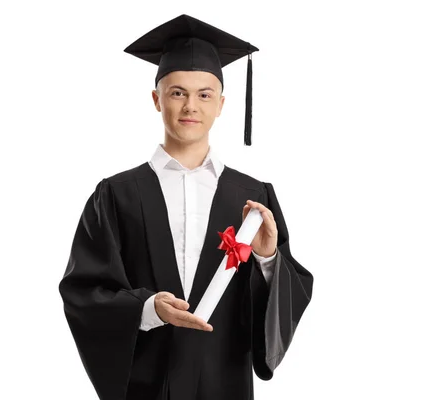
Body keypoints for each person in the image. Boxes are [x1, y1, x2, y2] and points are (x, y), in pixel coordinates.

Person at [58, 14, 314, 400]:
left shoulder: (255, 195)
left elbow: (288, 295)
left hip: (223, 383)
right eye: (177, 92)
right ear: (156, 99)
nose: (190, 105)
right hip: (146, 384)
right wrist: (148, 309)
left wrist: (266, 260)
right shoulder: (115, 195)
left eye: (204, 94)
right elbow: (84, 291)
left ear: (222, 104)